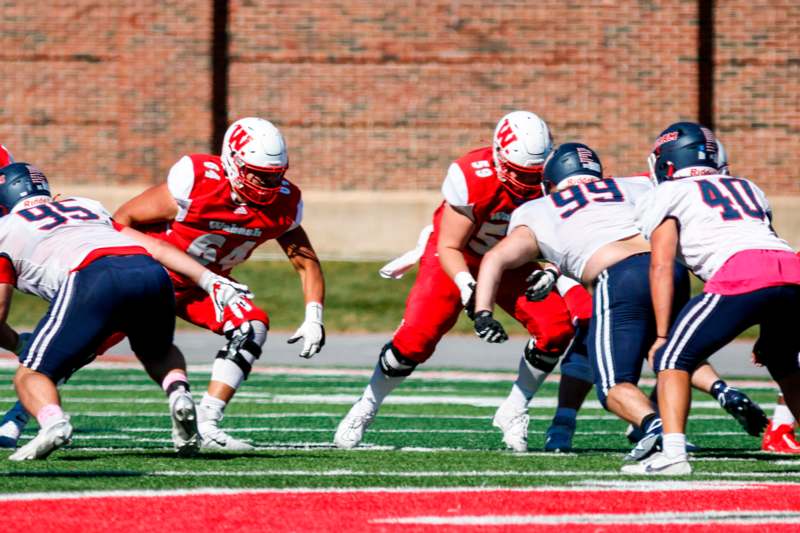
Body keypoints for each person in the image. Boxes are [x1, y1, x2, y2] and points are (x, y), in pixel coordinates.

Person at [334, 111, 594, 452]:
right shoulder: (472, 175)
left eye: (534, 174)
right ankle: (366, 405)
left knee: (556, 328)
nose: (528, 183)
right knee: (416, 340)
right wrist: (466, 285)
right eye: (518, 173)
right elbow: (449, 244)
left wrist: (552, 271)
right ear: (500, 156)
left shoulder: (557, 177)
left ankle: (515, 408)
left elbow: (573, 236)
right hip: (459, 254)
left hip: (514, 261)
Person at [0, 162, 251, 460]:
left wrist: (18, 344)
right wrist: (211, 281)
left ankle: (53, 423)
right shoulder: (85, 206)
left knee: (30, 374)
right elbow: (156, 248)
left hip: (91, 274)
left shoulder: (6, 229)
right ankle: (179, 394)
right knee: (157, 351)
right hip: (149, 271)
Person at [108, 117, 326, 451]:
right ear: (233, 161)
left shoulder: (284, 202)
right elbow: (124, 218)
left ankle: (207, 423)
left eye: (275, 175)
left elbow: (305, 260)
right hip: (152, 274)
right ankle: (25, 414)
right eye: (259, 174)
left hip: (206, 288)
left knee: (252, 326)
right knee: (86, 343)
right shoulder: (198, 182)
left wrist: (314, 315)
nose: (268, 183)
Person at [472, 141, 694, 461]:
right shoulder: (635, 184)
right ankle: (720, 398)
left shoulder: (535, 209)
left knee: (613, 384)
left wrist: (483, 312)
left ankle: (657, 430)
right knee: (674, 354)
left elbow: (495, 258)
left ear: (549, 184)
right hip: (671, 271)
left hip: (618, 276)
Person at [623, 122, 800, 474]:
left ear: (666, 162)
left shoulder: (666, 193)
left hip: (741, 272)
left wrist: (660, 335)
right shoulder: (747, 186)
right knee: (784, 363)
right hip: (791, 270)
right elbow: (767, 241)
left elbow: (660, 265)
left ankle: (673, 454)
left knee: (672, 357)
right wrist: (769, 327)